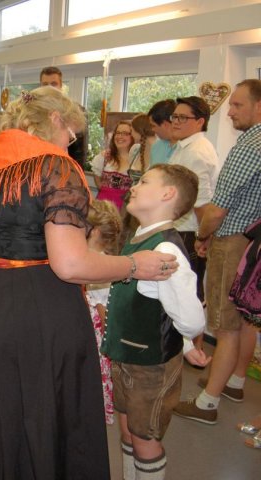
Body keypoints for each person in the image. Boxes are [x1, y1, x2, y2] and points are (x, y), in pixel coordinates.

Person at [0, 86, 180, 479]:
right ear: (55, 119)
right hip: (37, 307)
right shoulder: (56, 166)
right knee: (40, 411)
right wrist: (133, 265)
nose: (69, 143)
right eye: (71, 133)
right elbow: (70, 264)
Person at [101, 164, 211, 480]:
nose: (134, 186)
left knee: (145, 439)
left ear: (168, 194)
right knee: (128, 430)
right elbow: (163, 306)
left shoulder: (164, 248)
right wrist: (186, 343)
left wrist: (185, 340)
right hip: (127, 358)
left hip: (150, 367)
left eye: (145, 181)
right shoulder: (139, 237)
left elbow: (190, 317)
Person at [173, 79, 261, 425]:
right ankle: (232, 382)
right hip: (251, 240)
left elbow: (217, 208)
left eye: (238, 105)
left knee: (225, 327)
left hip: (232, 240)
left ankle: (207, 403)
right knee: (242, 319)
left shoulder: (249, 145)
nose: (230, 112)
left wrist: (203, 235)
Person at [167, 96, 219, 303]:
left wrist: (202, 237)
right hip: (180, 229)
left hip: (189, 233)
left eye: (183, 118)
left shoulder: (196, 152)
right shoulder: (185, 147)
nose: (176, 122)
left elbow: (201, 202)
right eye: (174, 117)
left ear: (200, 122)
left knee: (189, 297)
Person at [85, 199, 122, 425]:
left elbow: (103, 312)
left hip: (92, 339)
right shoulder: (104, 261)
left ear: (93, 231)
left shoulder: (98, 264)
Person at [40, 65, 88, 168]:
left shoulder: (75, 110)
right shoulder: (34, 110)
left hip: (66, 167)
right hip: (38, 167)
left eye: (54, 84)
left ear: (61, 85)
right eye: (45, 84)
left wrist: (76, 172)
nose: (49, 88)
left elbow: (80, 150)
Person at [91, 120, 135, 210]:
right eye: (117, 133)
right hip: (103, 207)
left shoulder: (136, 159)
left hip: (125, 209)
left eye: (125, 133)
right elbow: (97, 180)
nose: (120, 136)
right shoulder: (105, 156)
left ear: (133, 136)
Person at [147, 99, 176, 165]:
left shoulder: (184, 148)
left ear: (165, 125)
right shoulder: (156, 146)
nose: (152, 129)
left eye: (153, 126)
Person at [129, 113, 156, 183]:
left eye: (132, 130)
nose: (131, 134)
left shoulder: (160, 151)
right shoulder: (135, 149)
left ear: (139, 130)